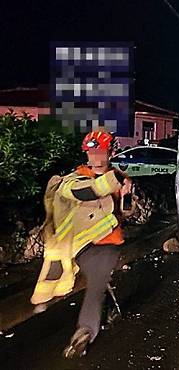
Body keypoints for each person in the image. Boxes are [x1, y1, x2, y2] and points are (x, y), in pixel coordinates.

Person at [30, 131, 134, 357]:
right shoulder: (73, 180)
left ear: (111, 152)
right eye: (91, 152)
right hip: (82, 247)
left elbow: (126, 211)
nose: (95, 157)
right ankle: (96, 321)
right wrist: (117, 181)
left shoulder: (118, 176)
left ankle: (92, 324)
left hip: (111, 243)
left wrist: (126, 192)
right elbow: (87, 191)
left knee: (97, 283)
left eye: (101, 152)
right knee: (98, 283)